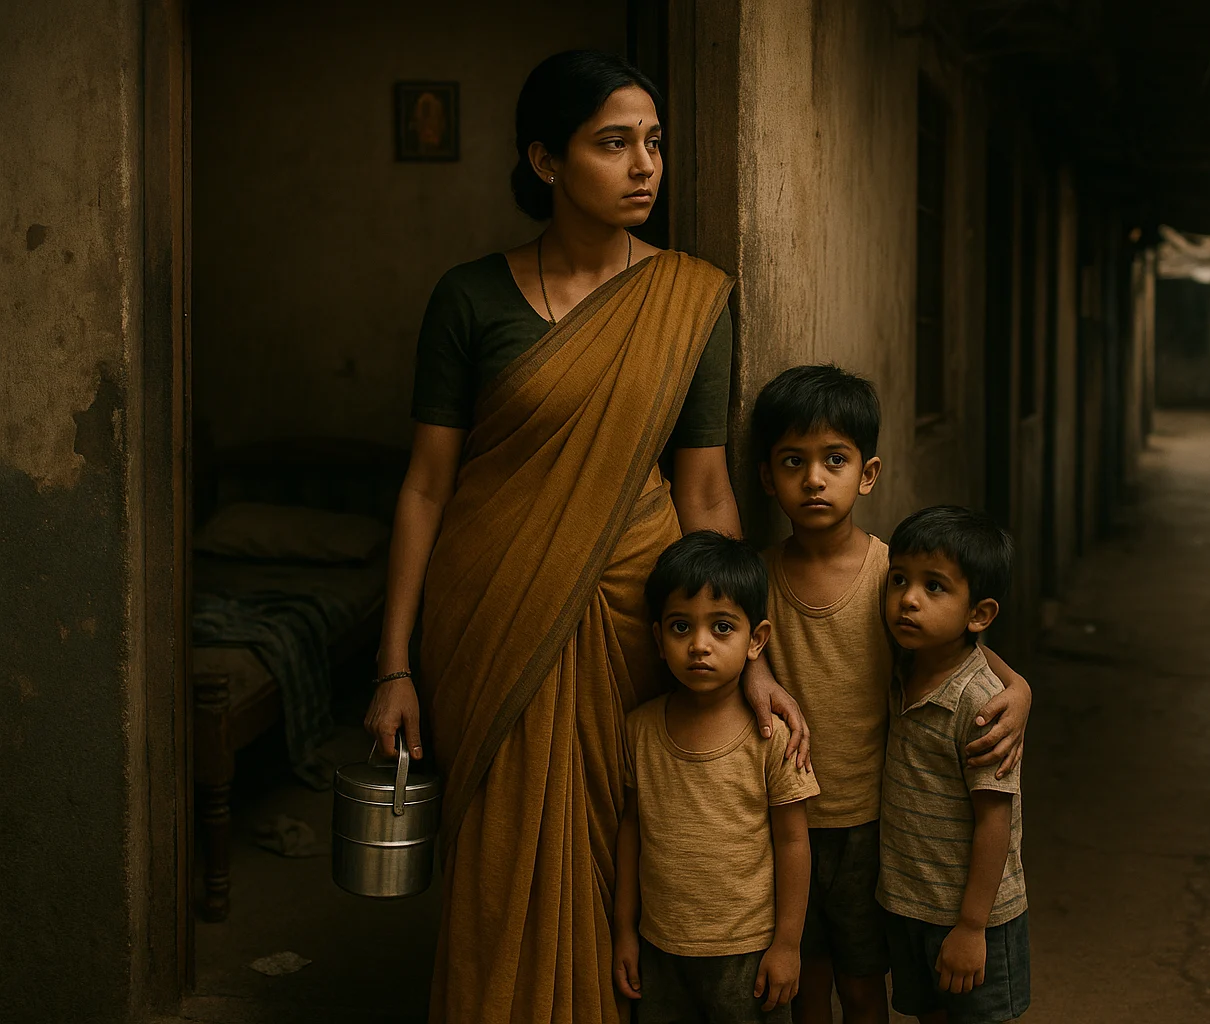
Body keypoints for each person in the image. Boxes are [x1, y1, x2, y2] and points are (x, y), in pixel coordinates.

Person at [362, 51, 809, 1024]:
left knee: (622, 837)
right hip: (492, 609)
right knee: (499, 855)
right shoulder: (470, 298)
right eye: (614, 143)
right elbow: (427, 486)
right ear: (546, 160)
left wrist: (751, 658)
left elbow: (702, 488)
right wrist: (392, 664)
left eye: (653, 142)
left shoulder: (689, 302)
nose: (644, 164)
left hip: (630, 612)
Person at [749, 367, 1034, 1024]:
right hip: (784, 821)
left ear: (867, 474)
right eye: (794, 462)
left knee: (860, 983)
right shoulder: (756, 576)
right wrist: (756, 675)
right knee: (805, 983)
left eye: (835, 460)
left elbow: (955, 644)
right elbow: (732, 647)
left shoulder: (892, 574)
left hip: (870, 823)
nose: (814, 479)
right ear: (767, 476)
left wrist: (1019, 687)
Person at [614, 531, 819, 1023]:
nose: (699, 646)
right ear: (658, 640)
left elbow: (794, 843)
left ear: (757, 640)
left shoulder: (774, 737)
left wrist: (788, 945)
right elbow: (631, 832)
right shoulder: (639, 729)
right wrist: (624, 930)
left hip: (747, 955)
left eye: (722, 627)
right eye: (681, 627)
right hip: (659, 948)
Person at [878, 507, 1030, 1024]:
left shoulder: (982, 706)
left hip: (974, 914)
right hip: (911, 901)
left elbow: (995, 819)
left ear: (979, 615)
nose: (908, 599)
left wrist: (970, 928)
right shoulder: (901, 666)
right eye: (898, 580)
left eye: (934, 587)